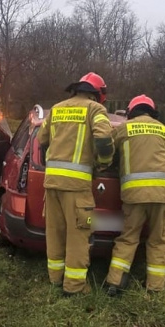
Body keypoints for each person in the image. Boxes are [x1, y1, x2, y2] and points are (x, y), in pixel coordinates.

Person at [37, 72, 114, 297]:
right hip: (77, 187)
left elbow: (42, 140)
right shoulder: (95, 110)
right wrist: (103, 163)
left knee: (55, 232)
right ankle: (74, 287)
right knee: (79, 235)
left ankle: (55, 279)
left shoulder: (57, 108)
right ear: (98, 94)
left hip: (51, 183)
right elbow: (103, 139)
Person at [105, 94, 165, 296]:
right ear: (152, 111)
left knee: (128, 238)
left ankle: (114, 284)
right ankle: (155, 287)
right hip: (161, 196)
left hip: (134, 195)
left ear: (130, 111)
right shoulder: (162, 129)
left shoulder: (123, 128)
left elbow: (109, 151)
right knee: (159, 241)